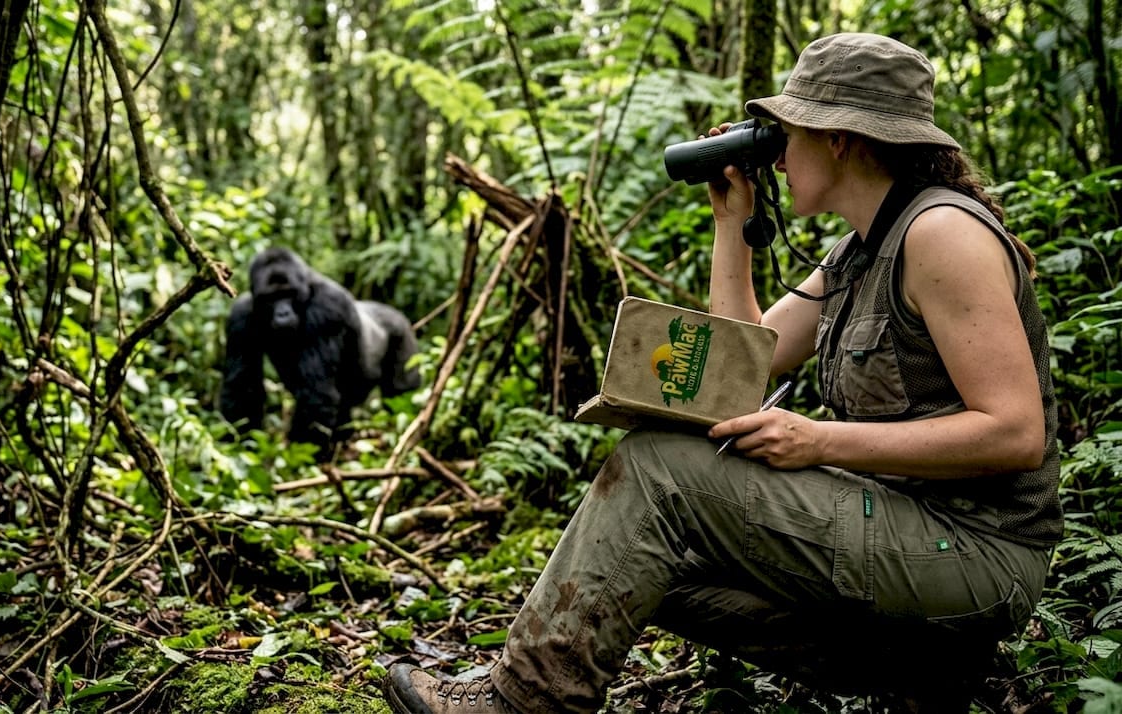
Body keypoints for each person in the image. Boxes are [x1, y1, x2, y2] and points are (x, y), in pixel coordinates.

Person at [382, 32, 1062, 714]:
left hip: (976, 553)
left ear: (840, 139)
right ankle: (919, 673)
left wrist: (819, 441)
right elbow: (744, 363)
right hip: (911, 538)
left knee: (658, 467)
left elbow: (1013, 433)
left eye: (784, 133)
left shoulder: (941, 234)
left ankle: (523, 703)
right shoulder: (860, 250)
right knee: (643, 561)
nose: (777, 153)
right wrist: (730, 223)